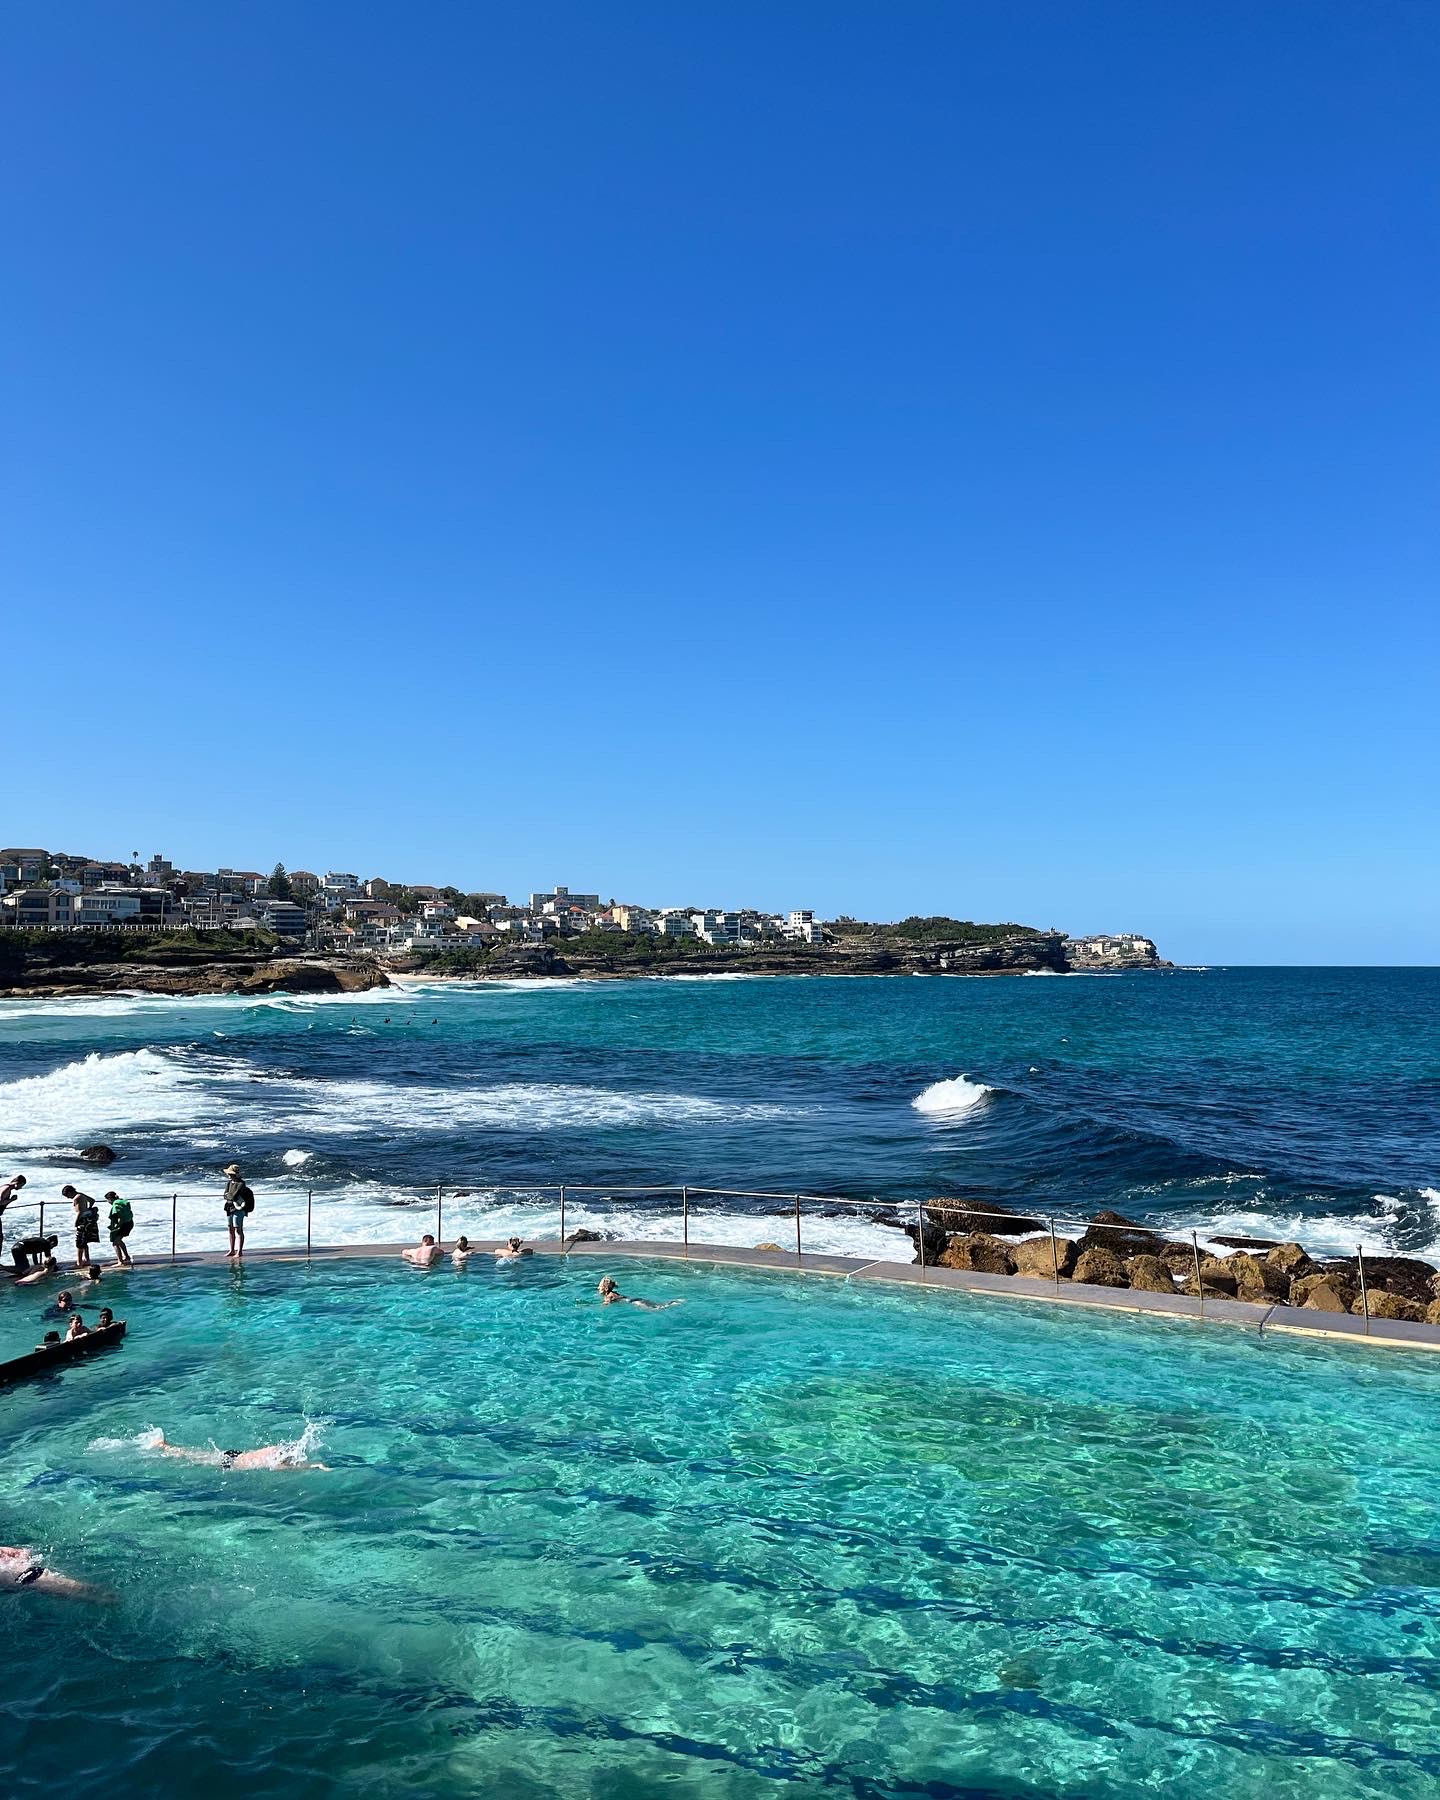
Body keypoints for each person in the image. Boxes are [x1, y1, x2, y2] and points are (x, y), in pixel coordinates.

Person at [151, 1432, 328, 1472]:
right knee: (195, 1458)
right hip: (233, 1463)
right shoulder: (278, 1463)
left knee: (198, 1455)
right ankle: (166, 1448)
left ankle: (168, 1447)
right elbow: (292, 1468)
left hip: (236, 1454)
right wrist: (316, 1466)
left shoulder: (276, 1448)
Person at [0, 1545, 107, 1601]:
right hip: (22, 1577)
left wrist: (21, 1559)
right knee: (71, 1588)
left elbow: (24, 1551)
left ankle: (103, 1597)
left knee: (76, 1589)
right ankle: (103, 1597)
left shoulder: (3, 1551)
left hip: (24, 1575)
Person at [62, 1185, 101, 1269]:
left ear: (70, 1192)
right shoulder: (81, 1195)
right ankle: (87, 1260)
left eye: (67, 1195)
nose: (68, 1198)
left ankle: (79, 1263)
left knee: (79, 1242)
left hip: (83, 1221)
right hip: (88, 1220)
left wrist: (76, 1223)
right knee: (84, 1241)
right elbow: (92, 1200)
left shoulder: (77, 1198)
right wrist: (89, 1209)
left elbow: (80, 1212)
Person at [596, 1274, 683, 1311]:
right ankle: (674, 1302)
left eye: (600, 1287)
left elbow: (605, 1305)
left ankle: (674, 1303)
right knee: (659, 1306)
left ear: (605, 1288)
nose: (599, 1289)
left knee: (657, 1309)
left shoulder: (609, 1296)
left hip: (635, 1302)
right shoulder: (614, 1293)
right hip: (635, 1299)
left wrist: (597, 1308)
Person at [222, 1164, 254, 1260]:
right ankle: (232, 1250)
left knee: (238, 1229)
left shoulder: (241, 1184)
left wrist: (229, 1196)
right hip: (229, 1207)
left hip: (238, 1209)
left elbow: (233, 1196)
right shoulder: (229, 1183)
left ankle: (239, 1251)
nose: (228, 1175)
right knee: (230, 1228)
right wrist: (229, 1196)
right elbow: (225, 1195)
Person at [0, 1172, 27, 1260]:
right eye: (21, 1185)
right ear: (17, 1183)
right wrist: (11, 1200)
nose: (20, 1188)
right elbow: (0, 1202)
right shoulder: (7, 1188)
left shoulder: (6, 1187)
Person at [105, 1191, 134, 1268]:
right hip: (129, 1223)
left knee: (115, 1242)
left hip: (123, 1225)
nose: (108, 1202)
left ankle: (120, 1262)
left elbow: (119, 1217)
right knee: (119, 1240)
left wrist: (117, 1227)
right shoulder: (122, 1202)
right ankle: (127, 1257)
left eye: (107, 1200)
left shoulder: (116, 1204)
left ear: (110, 1199)